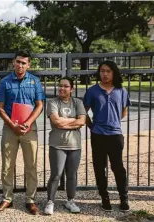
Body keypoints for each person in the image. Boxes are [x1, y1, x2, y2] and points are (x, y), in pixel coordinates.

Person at [0, 50, 45, 215]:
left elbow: (39, 105)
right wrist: (12, 125)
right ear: (13, 63)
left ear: (28, 65)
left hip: (30, 129)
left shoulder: (35, 81)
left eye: (24, 63)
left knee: (32, 165)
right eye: (18, 62)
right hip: (10, 128)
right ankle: (7, 198)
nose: (20, 65)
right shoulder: (5, 82)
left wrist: (28, 122)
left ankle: (30, 199)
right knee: (7, 165)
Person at [84, 61, 130, 212]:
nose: (104, 74)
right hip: (98, 135)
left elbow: (124, 111)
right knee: (99, 167)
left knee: (118, 167)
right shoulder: (92, 91)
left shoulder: (121, 90)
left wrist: (113, 122)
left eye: (108, 71)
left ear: (114, 73)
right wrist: (92, 126)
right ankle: (104, 197)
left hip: (116, 135)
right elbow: (83, 112)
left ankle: (124, 197)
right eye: (102, 71)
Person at [44, 77, 86, 215]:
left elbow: (83, 121)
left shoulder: (78, 102)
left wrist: (66, 122)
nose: (62, 88)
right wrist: (74, 121)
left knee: (72, 175)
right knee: (56, 174)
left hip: (75, 145)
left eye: (66, 86)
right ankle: (50, 201)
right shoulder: (53, 103)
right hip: (57, 144)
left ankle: (70, 200)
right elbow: (56, 122)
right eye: (60, 85)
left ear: (71, 89)